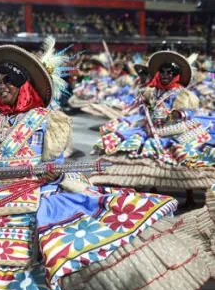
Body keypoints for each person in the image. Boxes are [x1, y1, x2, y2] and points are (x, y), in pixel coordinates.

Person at [0, 44, 209, 290]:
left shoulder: (47, 119)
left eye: (9, 81)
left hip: (35, 190)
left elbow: (53, 162)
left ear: (23, 84)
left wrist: (51, 174)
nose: (2, 87)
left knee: (50, 250)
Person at [91, 51, 215, 208]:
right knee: (136, 150)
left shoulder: (181, 93)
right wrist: (146, 109)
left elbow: (189, 111)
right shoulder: (152, 91)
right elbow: (145, 110)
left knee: (182, 156)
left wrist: (177, 114)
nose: (164, 76)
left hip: (172, 130)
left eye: (169, 73)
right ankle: (148, 188)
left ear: (175, 75)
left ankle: (189, 193)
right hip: (151, 127)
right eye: (162, 72)